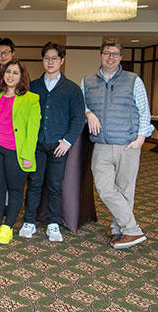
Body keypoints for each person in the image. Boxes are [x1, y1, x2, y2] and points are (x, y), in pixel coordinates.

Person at [81, 39, 154, 249]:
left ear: (120, 57)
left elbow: (144, 111)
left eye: (114, 54)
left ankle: (120, 230)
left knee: (125, 191)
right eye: (106, 53)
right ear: (100, 55)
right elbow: (81, 104)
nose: (110, 57)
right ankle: (132, 230)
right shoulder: (87, 81)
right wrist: (88, 113)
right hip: (101, 145)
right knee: (104, 189)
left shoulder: (133, 80)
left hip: (127, 144)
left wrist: (140, 139)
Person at [20, 42, 85, 242]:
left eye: (54, 58)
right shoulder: (33, 86)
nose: (50, 62)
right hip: (37, 145)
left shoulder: (72, 89)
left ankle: (53, 223)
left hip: (59, 146)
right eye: (47, 58)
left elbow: (78, 118)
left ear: (61, 61)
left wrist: (67, 141)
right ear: (43, 60)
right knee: (34, 183)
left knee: (55, 185)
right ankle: (29, 221)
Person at [0, 60, 41, 245]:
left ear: (22, 77)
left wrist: (28, 155)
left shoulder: (31, 99)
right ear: (3, 75)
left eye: (15, 73)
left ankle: (8, 227)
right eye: (8, 72)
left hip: (17, 151)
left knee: (15, 190)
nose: (11, 76)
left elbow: (33, 130)